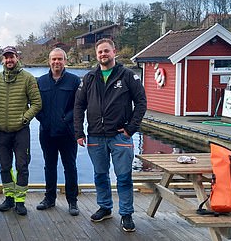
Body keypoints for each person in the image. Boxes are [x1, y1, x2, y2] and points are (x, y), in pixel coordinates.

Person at [73, 38, 147, 232]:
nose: (103, 55)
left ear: (114, 52)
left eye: (106, 51)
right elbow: (79, 106)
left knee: (123, 177)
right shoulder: (89, 78)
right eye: (100, 52)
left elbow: (141, 103)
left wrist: (131, 128)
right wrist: (79, 131)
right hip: (95, 135)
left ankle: (126, 214)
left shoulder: (128, 76)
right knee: (100, 175)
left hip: (120, 135)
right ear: (96, 55)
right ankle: (105, 207)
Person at [0, 46, 42, 216]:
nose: (9, 60)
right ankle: (9, 198)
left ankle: (20, 201)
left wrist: (24, 118)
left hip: (21, 131)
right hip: (2, 131)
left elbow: (36, 103)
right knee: (4, 166)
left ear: (17, 58)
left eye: (11, 57)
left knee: (22, 166)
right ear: (2, 60)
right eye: (6, 57)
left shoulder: (28, 78)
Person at [35, 48, 81, 216]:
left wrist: (65, 120)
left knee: (70, 166)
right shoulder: (40, 82)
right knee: (49, 165)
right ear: (49, 61)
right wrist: (43, 119)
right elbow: (35, 105)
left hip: (68, 132)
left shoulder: (74, 81)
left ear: (65, 61)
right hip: (47, 132)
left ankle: (72, 201)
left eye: (60, 59)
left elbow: (78, 106)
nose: (56, 62)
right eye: (54, 59)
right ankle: (49, 198)